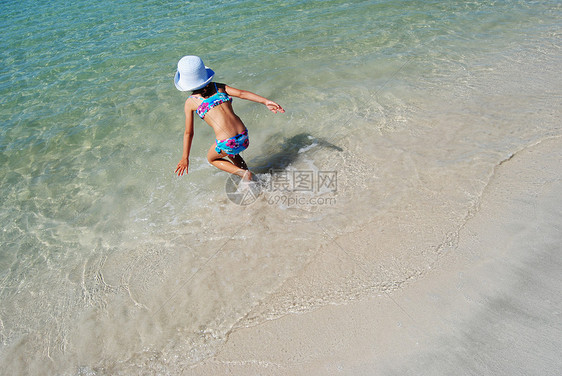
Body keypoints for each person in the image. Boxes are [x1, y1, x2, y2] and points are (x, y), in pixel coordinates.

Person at [173, 55, 284, 181]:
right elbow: (242, 94)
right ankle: (248, 178)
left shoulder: (191, 102)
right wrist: (265, 101)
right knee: (232, 153)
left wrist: (185, 158)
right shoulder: (218, 87)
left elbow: (189, 133)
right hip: (244, 135)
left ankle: (244, 174)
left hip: (227, 142)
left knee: (212, 158)